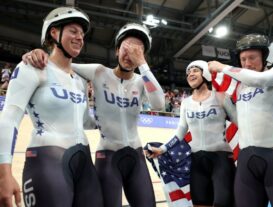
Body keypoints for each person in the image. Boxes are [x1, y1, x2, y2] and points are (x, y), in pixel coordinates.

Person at [22, 22, 165, 207]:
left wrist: (143, 64)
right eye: (126, 48)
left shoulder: (141, 81)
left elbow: (159, 103)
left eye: (137, 50)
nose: (129, 54)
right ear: (116, 51)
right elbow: (61, 64)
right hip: (108, 156)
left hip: (136, 155)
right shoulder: (99, 72)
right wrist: (37, 54)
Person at [0, 7, 103, 207]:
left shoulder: (79, 80)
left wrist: (109, 118)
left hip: (84, 164)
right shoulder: (33, 67)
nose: (80, 37)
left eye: (82, 34)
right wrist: (4, 173)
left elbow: (84, 122)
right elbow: (9, 119)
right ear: (54, 33)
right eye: (73, 31)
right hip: (47, 163)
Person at [208, 34, 273, 207]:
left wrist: (222, 67)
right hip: (247, 160)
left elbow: (260, 80)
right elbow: (241, 122)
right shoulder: (244, 88)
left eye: (252, 57)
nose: (247, 63)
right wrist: (226, 103)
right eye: (243, 59)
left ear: (266, 57)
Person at [146, 60, 237, 207]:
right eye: (188, 72)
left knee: (223, 203)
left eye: (195, 70)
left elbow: (242, 123)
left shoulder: (221, 97)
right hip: (197, 161)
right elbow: (181, 130)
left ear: (205, 74)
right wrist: (162, 149)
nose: (190, 74)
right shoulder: (186, 103)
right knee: (199, 203)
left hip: (221, 160)